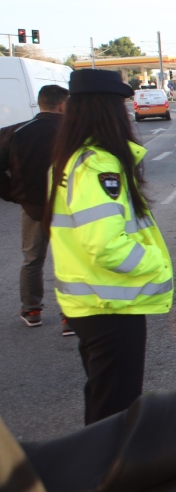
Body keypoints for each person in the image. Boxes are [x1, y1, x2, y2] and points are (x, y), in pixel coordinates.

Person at [47, 69, 174, 423]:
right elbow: (105, 246)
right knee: (115, 410)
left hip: (91, 302)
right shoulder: (98, 164)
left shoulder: (71, 158)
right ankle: (107, 475)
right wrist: (156, 265)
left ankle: (101, 469)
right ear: (108, 110)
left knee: (104, 398)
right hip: (110, 304)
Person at [0, 85, 69, 331]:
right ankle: (69, 315)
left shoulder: (15, 132)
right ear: (62, 105)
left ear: (40, 103)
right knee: (68, 259)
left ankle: (32, 310)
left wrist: (12, 195)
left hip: (32, 207)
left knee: (32, 260)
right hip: (69, 208)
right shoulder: (72, 131)